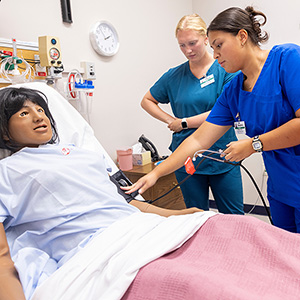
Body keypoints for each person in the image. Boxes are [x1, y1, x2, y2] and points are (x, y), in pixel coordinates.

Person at [0, 87, 201, 300]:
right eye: (24, 113)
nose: (38, 116)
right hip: (96, 248)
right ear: (4, 131)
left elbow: (122, 202)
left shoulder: (80, 154)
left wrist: (180, 215)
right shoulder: (7, 170)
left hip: (137, 228)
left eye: (40, 109)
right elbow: (3, 257)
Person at [125, 6, 300, 233]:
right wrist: (157, 173)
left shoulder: (287, 60)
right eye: (213, 47)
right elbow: (198, 141)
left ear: (242, 36)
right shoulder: (234, 91)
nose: (215, 55)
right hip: (280, 187)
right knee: (285, 251)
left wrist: (252, 144)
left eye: (219, 45)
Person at [140, 14, 244, 214]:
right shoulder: (174, 76)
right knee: (194, 216)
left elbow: (226, 110)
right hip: (186, 158)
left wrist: (184, 122)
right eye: (182, 45)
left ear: (206, 39)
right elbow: (147, 100)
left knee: (234, 217)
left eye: (192, 43)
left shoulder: (226, 69)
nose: (188, 50)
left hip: (223, 154)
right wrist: (171, 120)